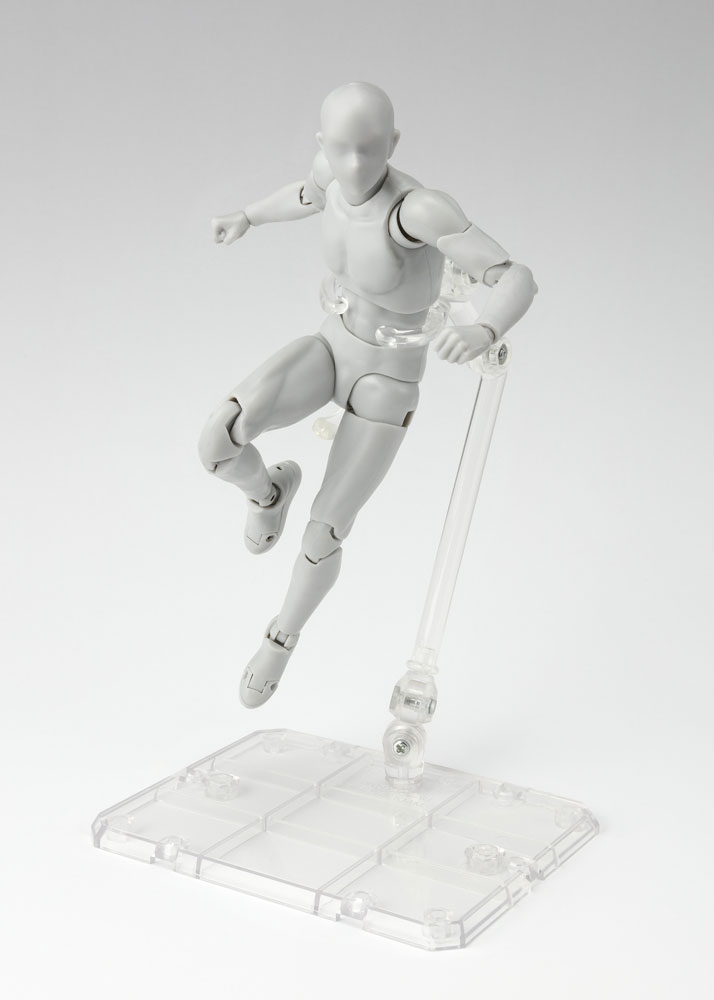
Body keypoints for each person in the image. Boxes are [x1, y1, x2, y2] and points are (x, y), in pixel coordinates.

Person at [199, 82, 536, 707]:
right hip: (331, 347)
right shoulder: (328, 172)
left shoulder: (418, 211)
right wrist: (247, 215)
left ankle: (280, 638)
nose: (355, 165)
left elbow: (516, 277)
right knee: (219, 438)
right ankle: (267, 492)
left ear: (394, 143)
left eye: (370, 149)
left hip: (386, 379)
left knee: (324, 530)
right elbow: (303, 195)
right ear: (323, 143)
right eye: (342, 148)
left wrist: (484, 329)